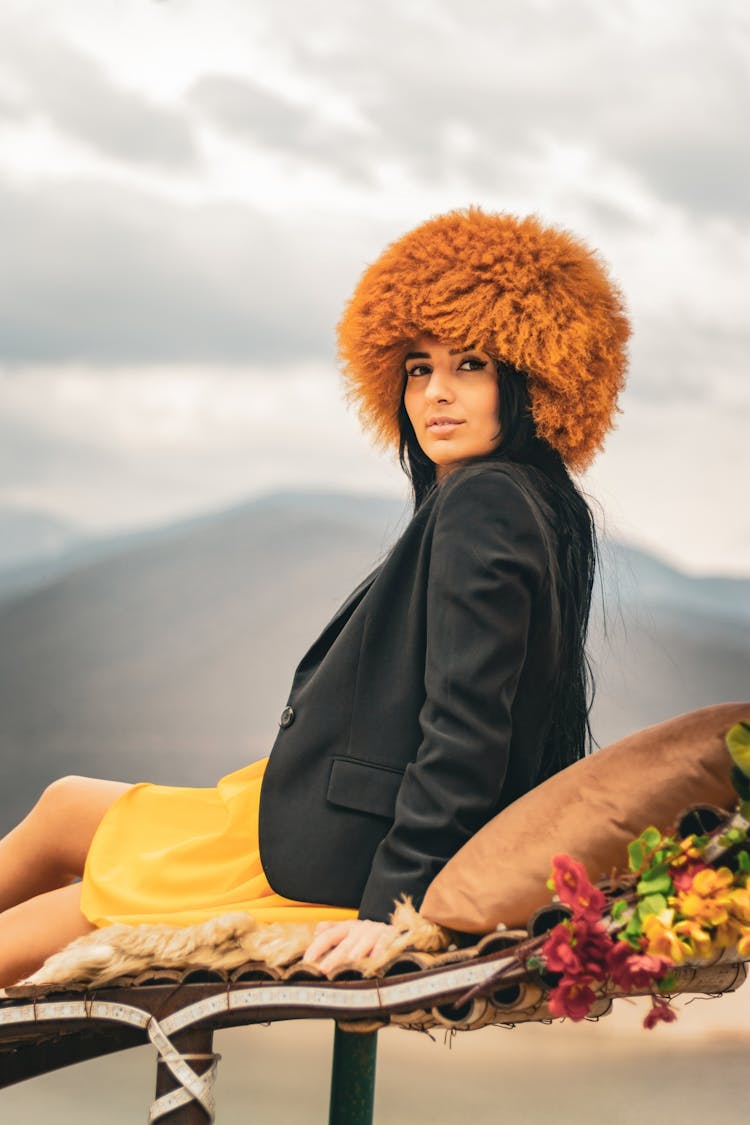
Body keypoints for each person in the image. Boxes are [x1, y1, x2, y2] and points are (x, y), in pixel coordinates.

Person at [0, 207, 629, 987]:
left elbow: (468, 724)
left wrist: (389, 909)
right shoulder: (530, 503)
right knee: (64, 806)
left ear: (529, 377)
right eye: (418, 368)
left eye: (470, 363)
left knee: (36, 928)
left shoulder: (486, 500)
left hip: (338, 861)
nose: (436, 393)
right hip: (308, 817)